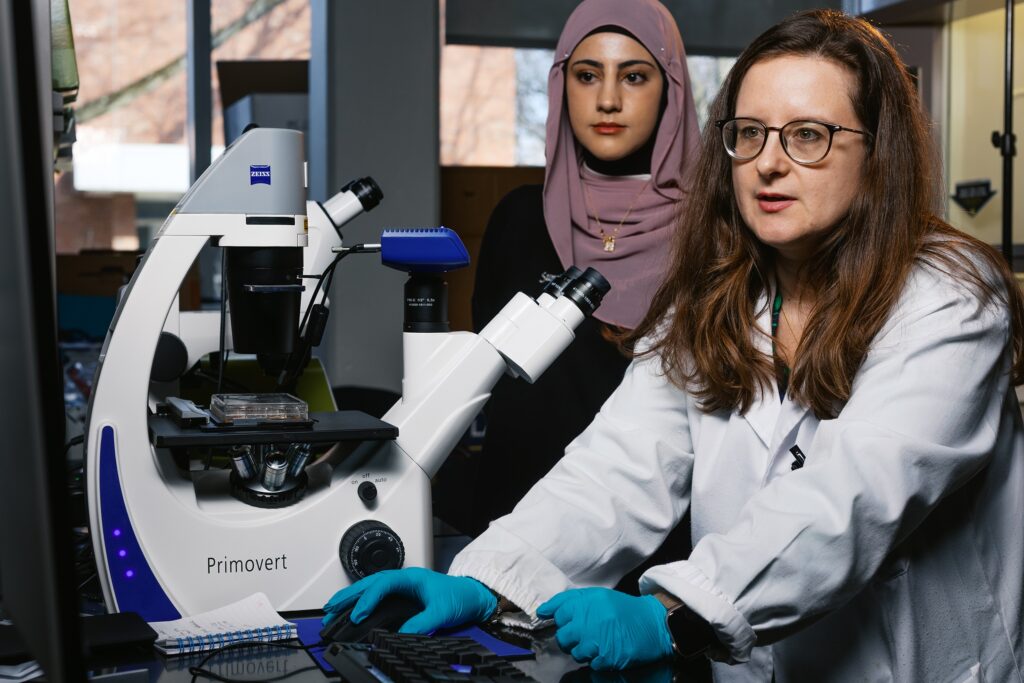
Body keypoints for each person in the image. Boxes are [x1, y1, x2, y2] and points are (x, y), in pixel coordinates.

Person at [325, 9, 1024, 681]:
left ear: (877, 154)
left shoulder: (949, 300)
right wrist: (487, 576)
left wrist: (671, 614)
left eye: (807, 135)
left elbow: (855, 496)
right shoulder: (718, 296)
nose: (769, 163)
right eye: (748, 133)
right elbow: (619, 466)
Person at [465, 0, 700, 537]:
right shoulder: (518, 219)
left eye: (635, 76)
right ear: (560, 85)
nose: (608, 99)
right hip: (514, 519)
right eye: (587, 75)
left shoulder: (715, 233)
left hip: (653, 539)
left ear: (671, 88)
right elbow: (491, 379)